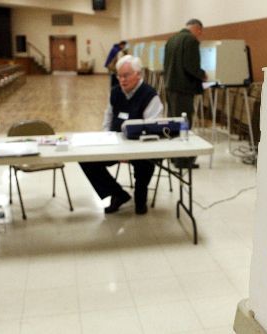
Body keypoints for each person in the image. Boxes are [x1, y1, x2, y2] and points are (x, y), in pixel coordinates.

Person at [80, 55, 163, 215]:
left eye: (126, 75)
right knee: (86, 158)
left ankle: (141, 196)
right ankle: (117, 194)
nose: (122, 80)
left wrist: (128, 151)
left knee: (145, 164)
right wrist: (107, 141)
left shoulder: (150, 96)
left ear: (138, 74)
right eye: (119, 76)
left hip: (141, 147)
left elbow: (152, 129)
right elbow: (108, 117)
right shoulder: (116, 92)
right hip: (115, 144)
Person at [164, 18, 207, 169]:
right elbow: (191, 66)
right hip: (183, 89)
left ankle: (174, 157)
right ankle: (183, 161)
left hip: (170, 87)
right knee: (183, 124)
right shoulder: (191, 40)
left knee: (173, 122)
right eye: (200, 33)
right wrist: (202, 74)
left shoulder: (172, 39)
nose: (199, 36)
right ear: (198, 29)